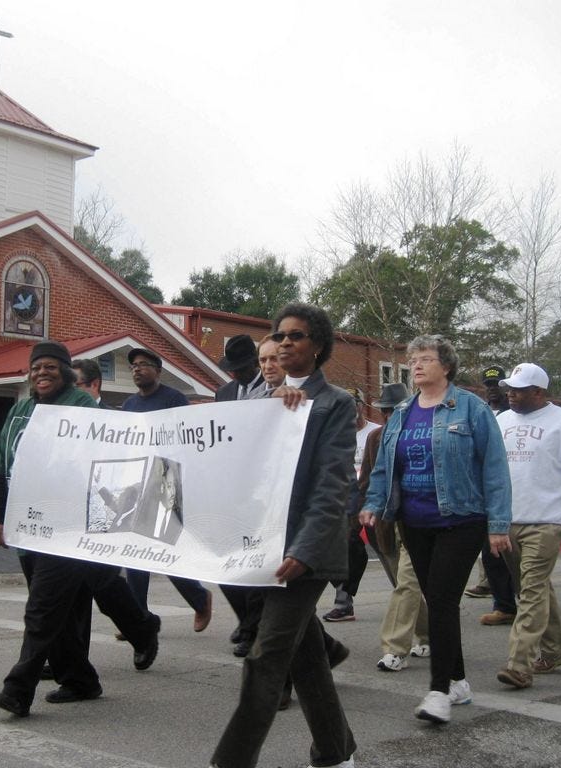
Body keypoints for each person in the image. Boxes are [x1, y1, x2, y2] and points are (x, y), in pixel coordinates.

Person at [211, 303, 356, 768]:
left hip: (306, 554)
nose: (286, 342)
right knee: (307, 659)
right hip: (263, 547)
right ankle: (336, 753)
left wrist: (305, 551)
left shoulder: (335, 403)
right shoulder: (260, 403)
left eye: (297, 335)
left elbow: (332, 486)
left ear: (318, 346)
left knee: (266, 656)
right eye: (281, 335)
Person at [0, 341, 159, 717]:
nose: (41, 373)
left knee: (43, 608)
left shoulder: (81, 406)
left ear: (65, 371)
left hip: (69, 527)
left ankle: (18, 689)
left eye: (50, 366)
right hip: (29, 527)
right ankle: (81, 678)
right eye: (36, 367)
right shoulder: (19, 410)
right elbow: (0, 467)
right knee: (62, 609)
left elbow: (103, 459)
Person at [359, 334, 512, 725]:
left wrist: (498, 524)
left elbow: (495, 467)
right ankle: (458, 681)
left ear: (446, 366)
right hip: (415, 521)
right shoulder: (402, 412)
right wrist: (373, 503)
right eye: (413, 359)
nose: (416, 365)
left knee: (441, 600)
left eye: (425, 359)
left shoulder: (472, 409)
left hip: (461, 519)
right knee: (437, 600)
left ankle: (439, 692)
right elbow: (384, 466)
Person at [495, 363, 561, 690]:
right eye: (509, 389)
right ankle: (555, 650)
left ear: (538, 391)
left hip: (548, 520)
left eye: (519, 390)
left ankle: (519, 664)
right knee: (531, 588)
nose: (511, 394)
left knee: (532, 589)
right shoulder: (501, 421)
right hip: (507, 520)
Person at [121, 347, 213, 632]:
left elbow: (188, 441)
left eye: (143, 364)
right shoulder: (129, 405)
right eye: (133, 366)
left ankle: (200, 598)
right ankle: (137, 619)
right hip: (137, 485)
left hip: (167, 484)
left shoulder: (173, 400)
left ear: (158, 371)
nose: (137, 369)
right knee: (135, 554)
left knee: (166, 553)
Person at [362, 383, 431, 672]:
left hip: (416, 520)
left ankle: (395, 648)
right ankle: (428, 635)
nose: (390, 416)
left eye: (396, 410)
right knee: (403, 585)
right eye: (386, 411)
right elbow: (367, 480)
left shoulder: (424, 434)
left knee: (407, 583)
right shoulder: (375, 437)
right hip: (385, 524)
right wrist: (358, 513)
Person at [215, 335, 267, 657]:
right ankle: (247, 619)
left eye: (241, 367)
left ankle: (251, 630)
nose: (235, 373)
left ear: (255, 363)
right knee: (223, 564)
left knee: (255, 566)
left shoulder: (274, 390)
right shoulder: (223, 393)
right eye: (231, 368)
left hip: (262, 491)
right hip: (230, 489)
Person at [467, 365, 520, 629]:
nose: (492, 390)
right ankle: (504, 605)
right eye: (488, 386)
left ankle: (531, 602)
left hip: (516, 492)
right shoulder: (480, 413)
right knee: (492, 554)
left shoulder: (516, 414)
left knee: (518, 557)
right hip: (486, 495)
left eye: (498, 385)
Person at [323, 388, 379, 623]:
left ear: (361, 406)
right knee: (343, 547)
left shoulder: (375, 433)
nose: (350, 409)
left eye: (354, 404)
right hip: (344, 500)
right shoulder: (332, 434)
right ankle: (344, 602)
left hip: (373, 497)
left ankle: (415, 596)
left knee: (387, 551)